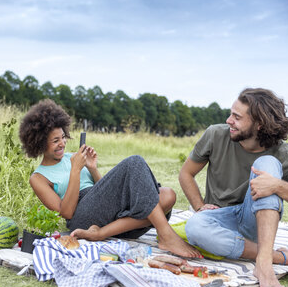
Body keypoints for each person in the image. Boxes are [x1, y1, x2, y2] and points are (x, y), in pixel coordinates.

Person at [19, 99, 201, 258]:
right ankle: (166, 234)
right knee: (134, 162)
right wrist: (75, 171)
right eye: (55, 141)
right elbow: (66, 212)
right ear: (40, 143)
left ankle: (101, 233)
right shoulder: (38, 177)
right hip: (81, 217)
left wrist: (92, 168)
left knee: (168, 195)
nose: (62, 143)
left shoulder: (72, 157)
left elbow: (106, 192)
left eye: (63, 138)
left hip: (107, 215)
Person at [179, 88, 288, 287]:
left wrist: (278, 186)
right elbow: (186, 174)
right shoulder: (215, 135)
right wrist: (199, 206)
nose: (229, 120)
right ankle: (281, 257)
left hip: (253, 222)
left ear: (259, 124)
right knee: (194, 225)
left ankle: (263, 262)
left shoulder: (284, 153)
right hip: (219, 221)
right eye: (231, 114)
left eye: (237, 117)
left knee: (268, 163)